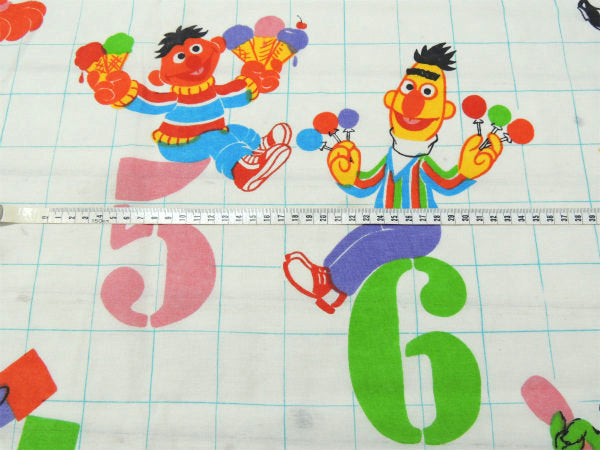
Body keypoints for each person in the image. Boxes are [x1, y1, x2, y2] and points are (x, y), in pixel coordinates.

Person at [284, 43, 503, 314]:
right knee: (360, 234)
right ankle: (327, 282)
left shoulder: (422, 164)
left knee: (370, 245)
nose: (413, 103)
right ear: (392, 99)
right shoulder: (390, 158)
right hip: (385, 221)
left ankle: (332, 285)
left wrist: (468, 171)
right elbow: (366, 185)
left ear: (445, 110)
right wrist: (347, 177)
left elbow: (447, 185)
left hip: (421, 230)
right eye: (409, 88)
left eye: (427, 92)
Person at [83, 25, 293, 192]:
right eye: (180, 57)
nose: (192, 60)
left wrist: (254, 81)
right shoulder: (178, 98)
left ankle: (260, 147)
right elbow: (151, 101)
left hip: (208, 136)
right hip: (179, 146)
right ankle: (242, 171)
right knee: (216, 138)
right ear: (163, 75)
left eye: (196, 49)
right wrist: (124, 93)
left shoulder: (213, 92)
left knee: (234, 130)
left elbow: (235, 94)